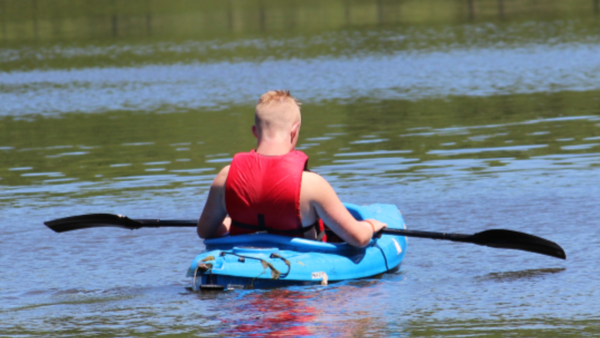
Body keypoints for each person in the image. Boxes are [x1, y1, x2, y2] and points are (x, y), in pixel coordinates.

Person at [197, 90, 386, 248]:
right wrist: (370, 225)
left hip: (243, 267)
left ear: (255, 131)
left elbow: (205, 231)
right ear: (294, 131)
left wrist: (231, 223)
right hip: (299, 281)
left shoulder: (225, 177)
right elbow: (358, 239)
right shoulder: (312, 184)